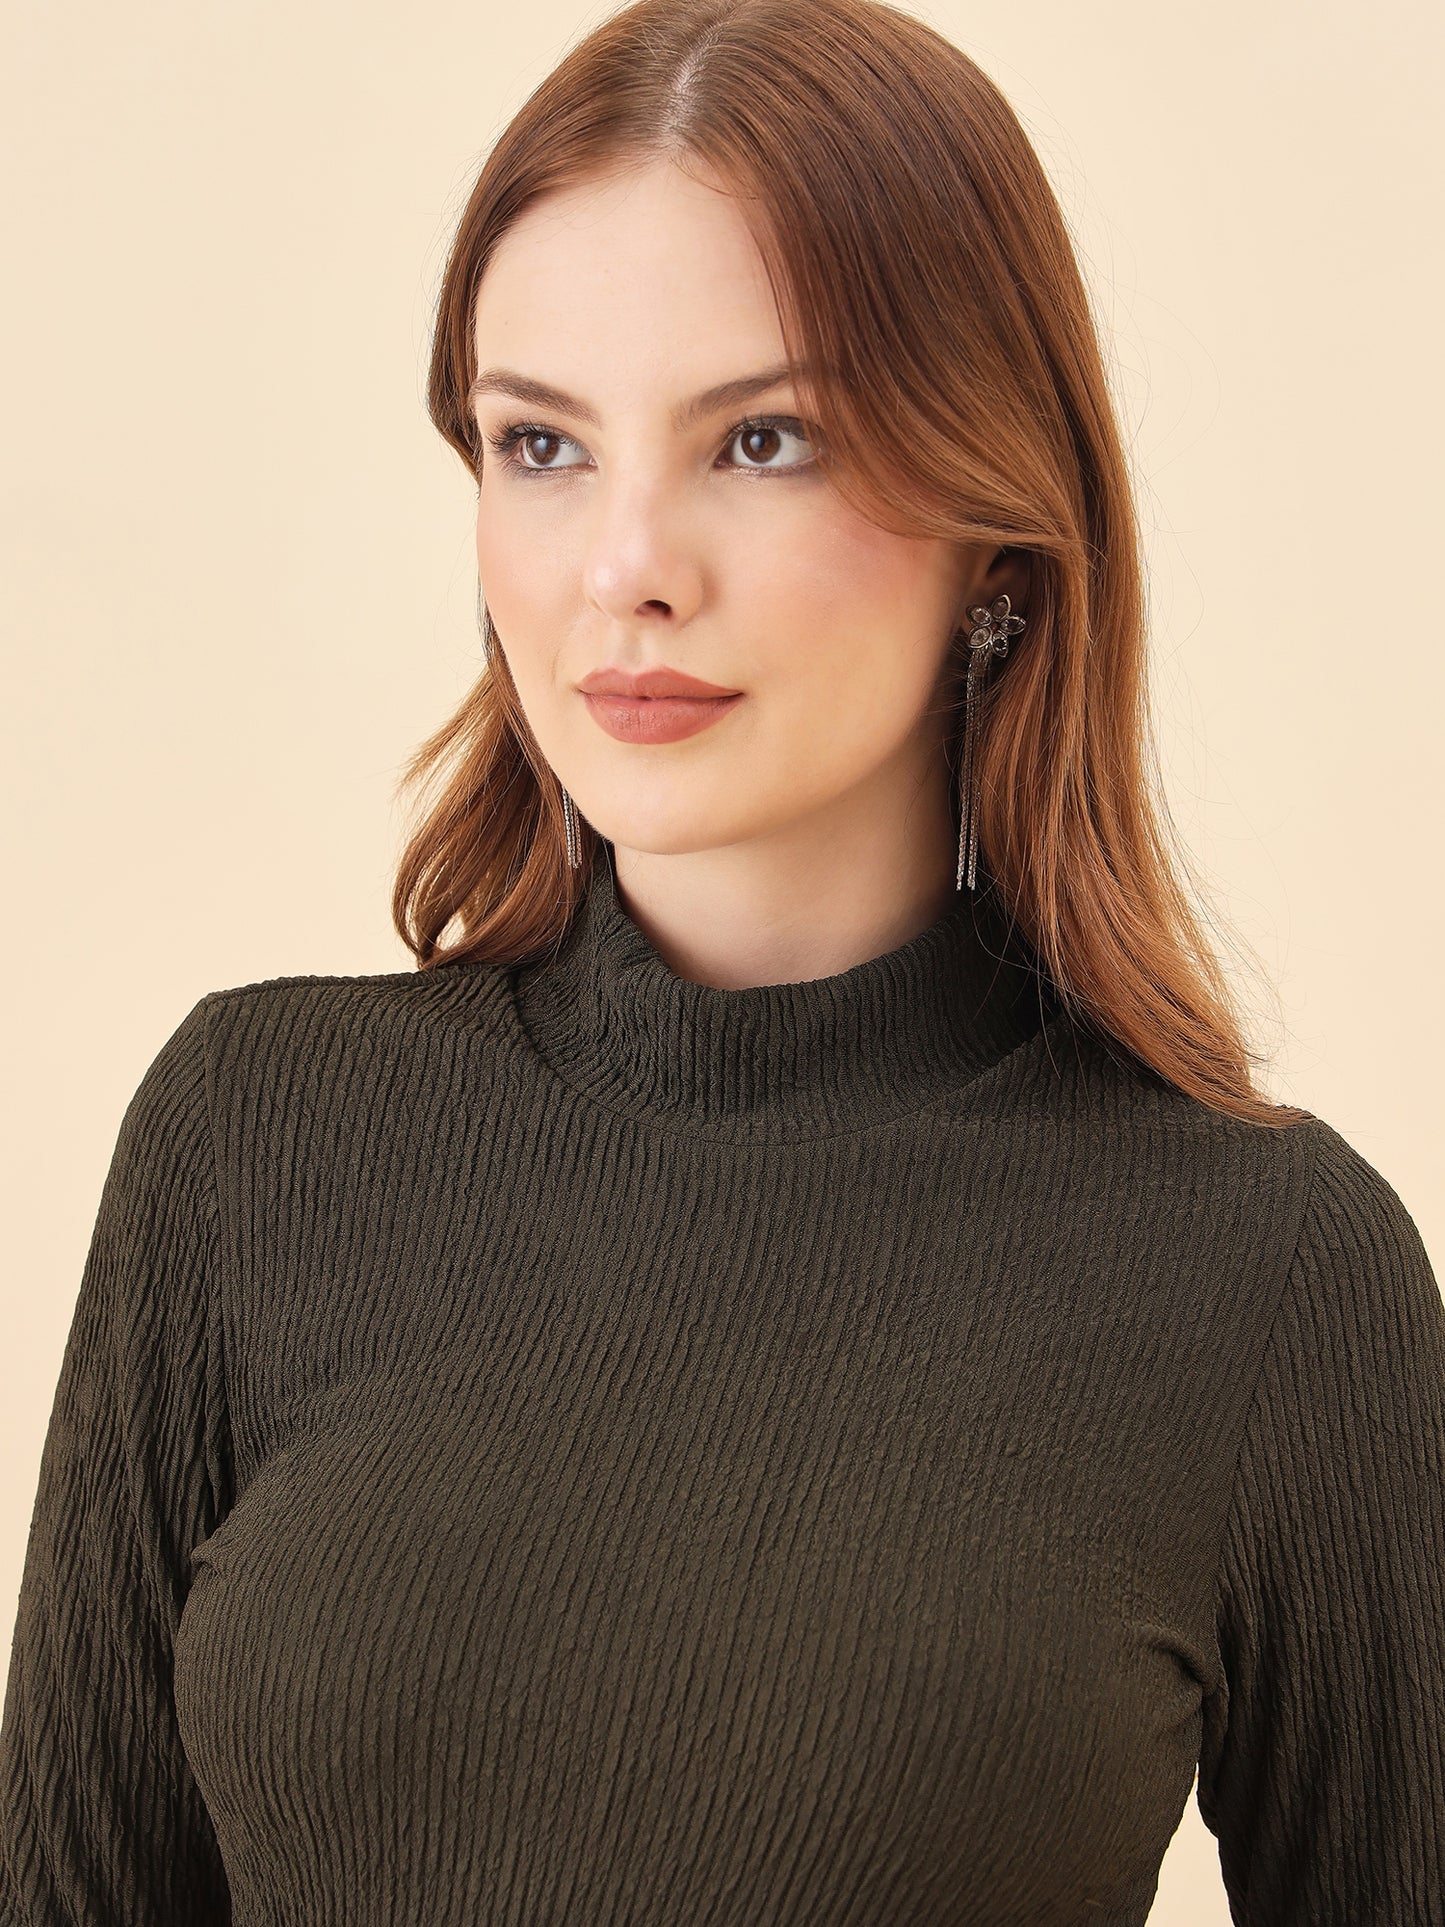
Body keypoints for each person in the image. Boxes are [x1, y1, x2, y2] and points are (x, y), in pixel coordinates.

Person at [3, 0, 1442, 1920]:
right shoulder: (251, 1139)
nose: (624, 566)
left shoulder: (1269, 1276)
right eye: (540, 444)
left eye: (758, 439)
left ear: (1001, 530)